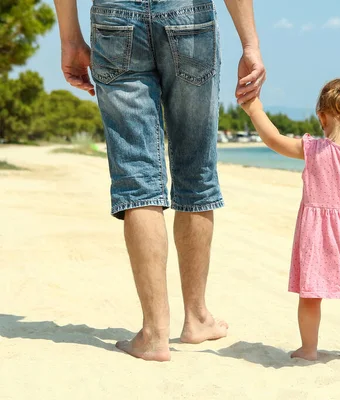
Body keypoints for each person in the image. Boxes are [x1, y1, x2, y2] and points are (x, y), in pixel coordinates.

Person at [53, 0, 265, 361]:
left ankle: (154, 333)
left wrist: (70, 37)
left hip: (114, 16)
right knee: (196, 167)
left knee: (136, 175)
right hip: (188, 14)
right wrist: (250, 44)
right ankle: (197, 318)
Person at [241, 78, 340, 365]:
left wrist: (255, 110)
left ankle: (308, 349)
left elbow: (274, 140)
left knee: (311, 296)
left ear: (322, 117)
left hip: (315, 236)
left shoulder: (312, 150)